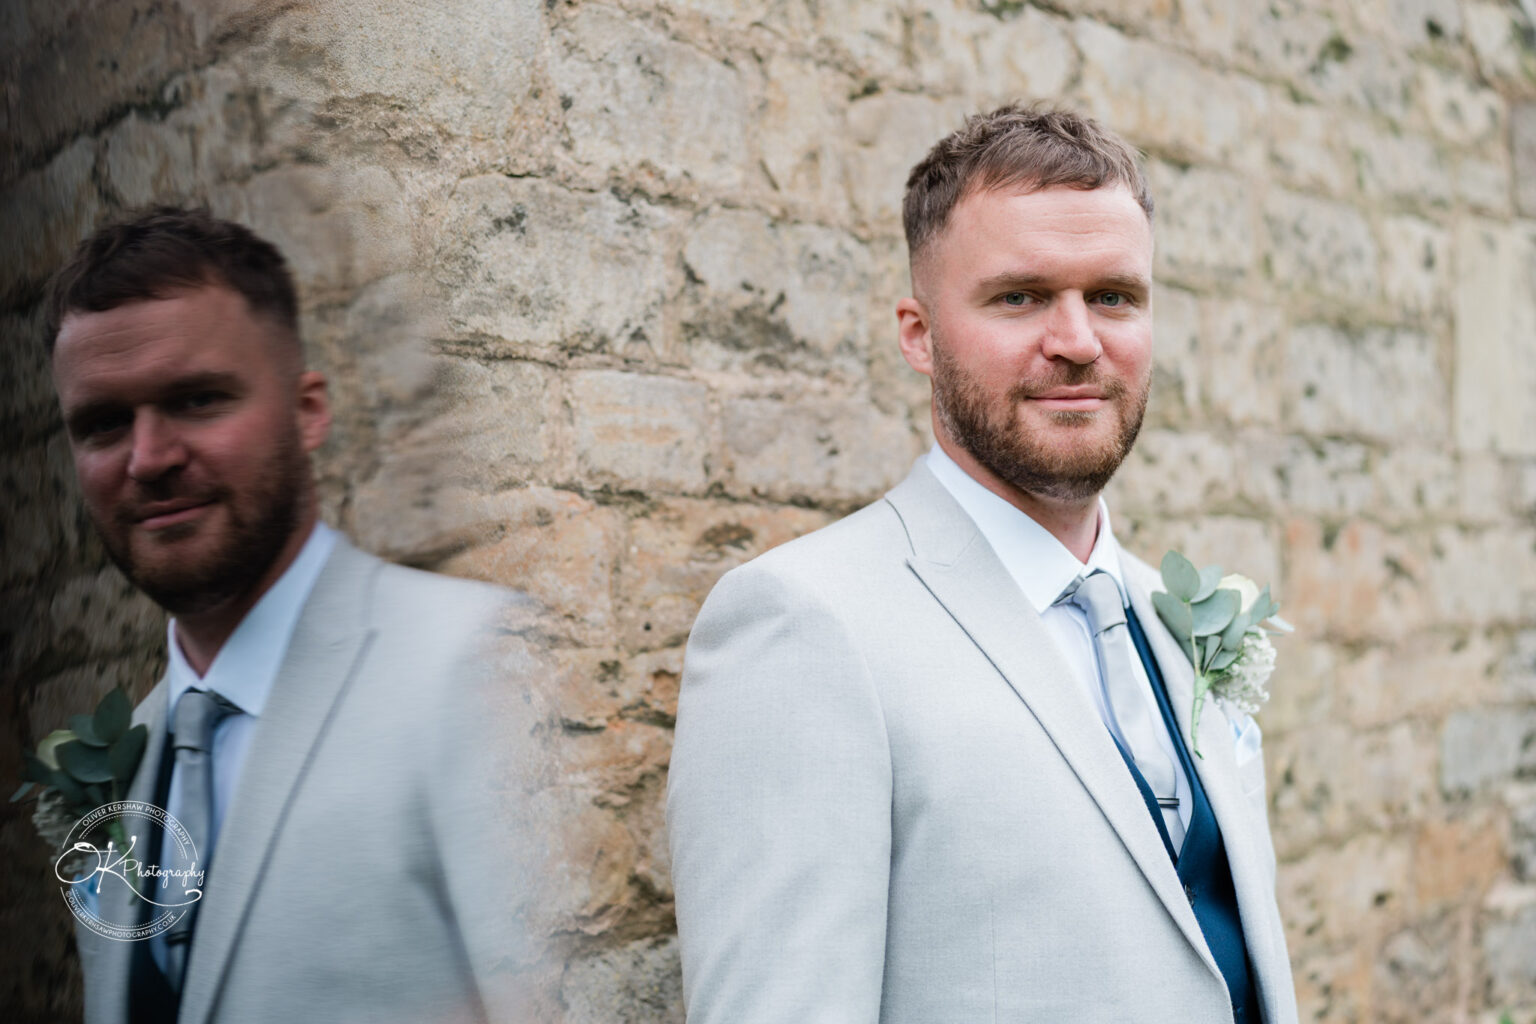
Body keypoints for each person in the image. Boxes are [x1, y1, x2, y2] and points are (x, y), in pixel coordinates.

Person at [667, 105, 1297, 1023]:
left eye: (1114, 296)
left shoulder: (1168, 616)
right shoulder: (802, 624)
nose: (1078, 340)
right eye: (1021, 296)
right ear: (919, 334)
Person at [46, 207, 541, 1024]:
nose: (150, 458)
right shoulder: (123, 759)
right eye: (103, 423)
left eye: (199, 400)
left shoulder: (473, 661)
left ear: (308, 411)